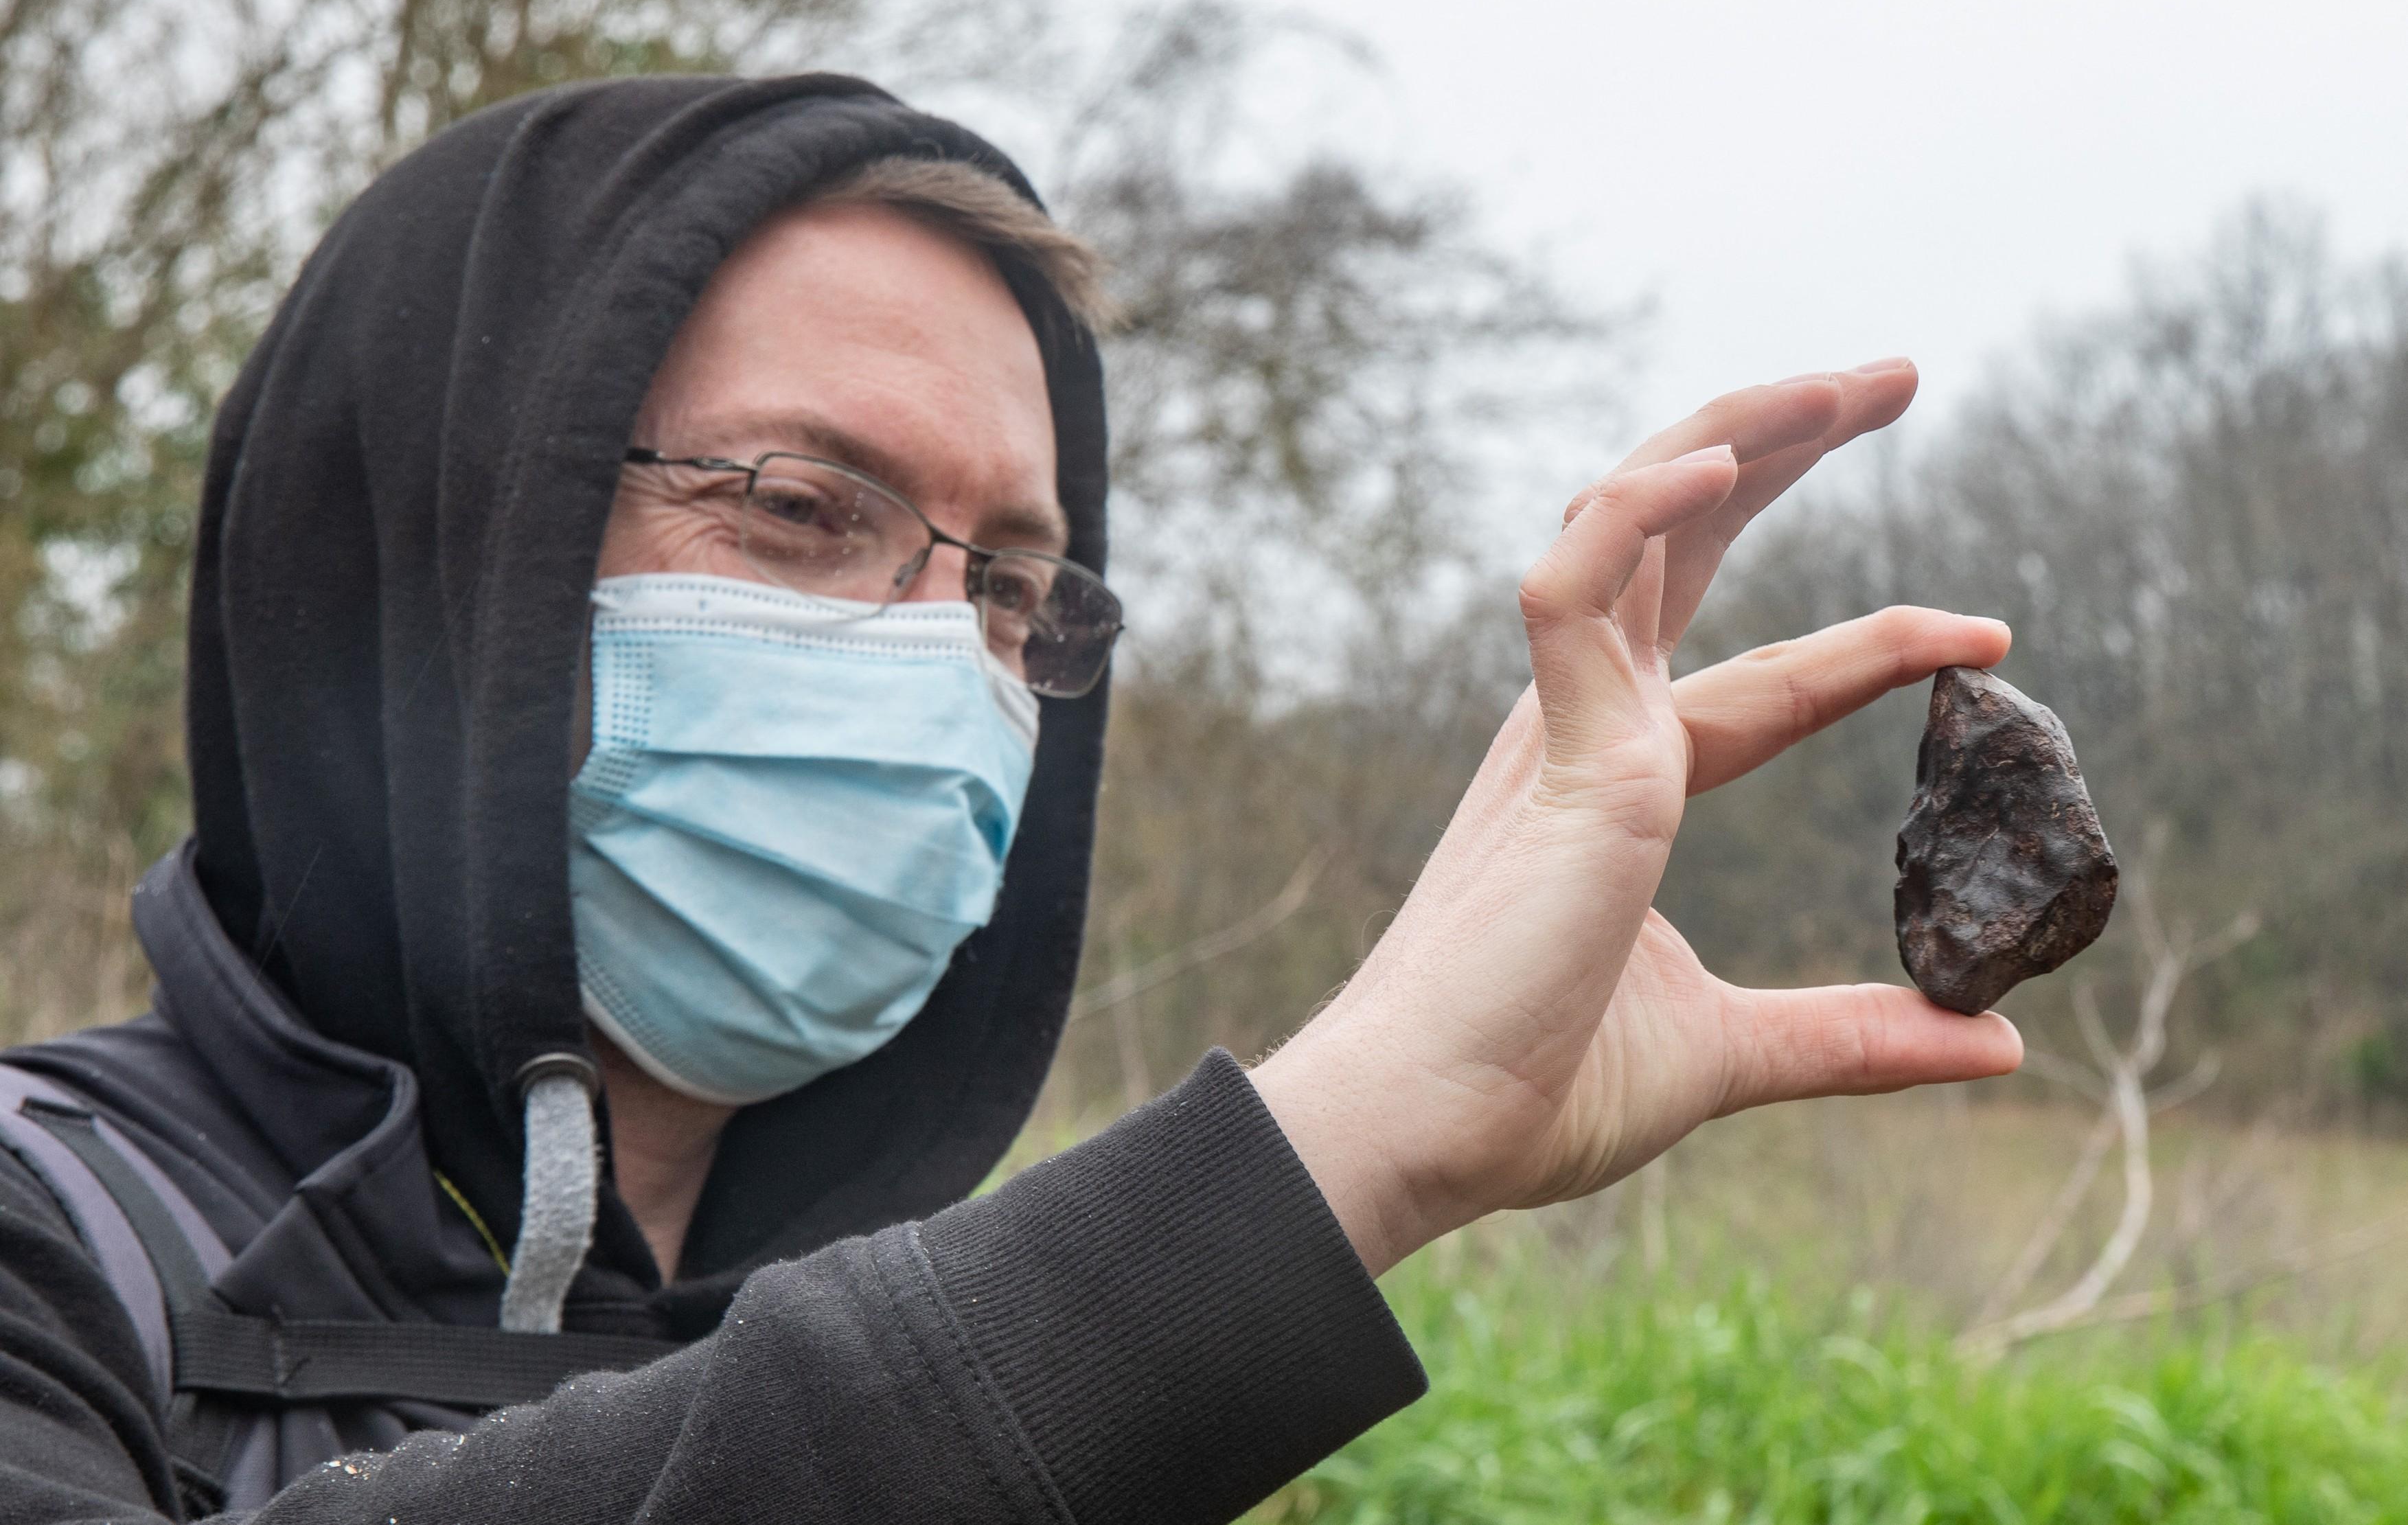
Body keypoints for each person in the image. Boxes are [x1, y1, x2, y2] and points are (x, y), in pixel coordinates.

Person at [0, 74, 2019, 1524]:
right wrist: (1338, 1150)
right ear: (434, 555)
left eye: (1009, 585)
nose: (934, 662)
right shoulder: (53, 1255)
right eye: (803, 509)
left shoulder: (985, 1349)